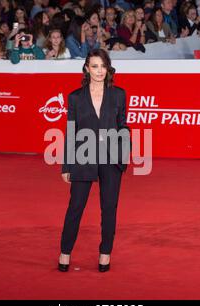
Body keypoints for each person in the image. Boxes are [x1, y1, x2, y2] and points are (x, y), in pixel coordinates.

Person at [58, 48, 130, 273]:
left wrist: (123, 152)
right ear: (87, 69)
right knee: (75, 207)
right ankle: (65, 252)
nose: (99, 71)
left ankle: (105, 254)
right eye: (95, 66)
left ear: (108, 68)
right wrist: (66, 165)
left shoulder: (119, 94)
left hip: (111, 158)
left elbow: (123, 124)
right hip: (83, 155)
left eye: (103, 66)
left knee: (109, 208)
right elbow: (71, 132)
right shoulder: (75, 97)